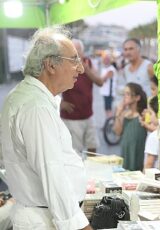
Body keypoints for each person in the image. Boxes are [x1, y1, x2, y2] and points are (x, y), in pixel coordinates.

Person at [0, 26, 92, 229]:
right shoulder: (36, 107)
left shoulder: (27, 97)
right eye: (74, 60)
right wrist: (79, 226)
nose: (81, 68)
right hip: (44, 219)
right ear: (51, 65)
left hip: (40, 213)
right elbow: (52, 174)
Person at [60, 39, 104, 154]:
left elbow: (100, 82)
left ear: (82, 52)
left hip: (88, 115)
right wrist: (60, 103)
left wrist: (86, 68)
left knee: (93, 147)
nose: (74, 53)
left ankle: (92, 170)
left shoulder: (88, 62)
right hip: (72, 118)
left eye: (77, 50)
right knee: (75, 152)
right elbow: (50, 87)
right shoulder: (64, 64)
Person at [114, 83, 148, 171]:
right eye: (124, 94)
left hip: (138, 154)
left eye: (128, 94)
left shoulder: (143, 115)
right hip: (126, 153)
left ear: (137, 97)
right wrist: (118, 113)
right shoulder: (124, 114)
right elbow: (117, 132)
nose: (125, 96)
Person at [100, 52, 117, 118]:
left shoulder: (111, 69)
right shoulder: (105, 68)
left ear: (109, 60)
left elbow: (103, 79)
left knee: (109, 109)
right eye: (104, 59)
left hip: (109, 93)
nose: (105, 60)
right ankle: (107, 123)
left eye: (107, 59)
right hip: (105, 92)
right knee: (106, 109)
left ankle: (110, 124)